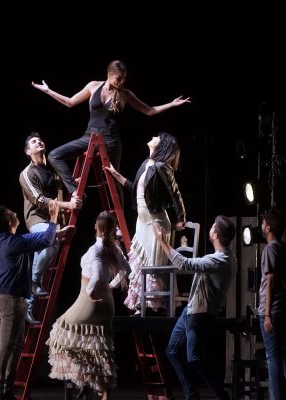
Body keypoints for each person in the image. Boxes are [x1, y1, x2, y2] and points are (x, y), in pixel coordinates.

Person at [32, 60, 190, 197]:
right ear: (109, 74)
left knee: (114, 181)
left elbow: (149, 111)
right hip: (89, 136)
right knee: (54, 155)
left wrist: (172, 104)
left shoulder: (125, 94)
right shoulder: (93, 86)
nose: (121, 82)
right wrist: (48, 91)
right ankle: (74, 190)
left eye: (124, 79)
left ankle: (118, 227)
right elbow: (70, 102)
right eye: (118, 79)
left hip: (110, 141)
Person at [46, 211, 130, 400]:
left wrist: (92, 289)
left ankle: (85, 381)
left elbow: (98, 273)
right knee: (97, 346)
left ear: (96, 227)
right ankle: (98, 389)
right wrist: (111, 286)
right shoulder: (114, 248)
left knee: (61, 330)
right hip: (107, 304)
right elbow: (128, 270)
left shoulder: (96, 250)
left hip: (90, 300)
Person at [0, 201, 67, 400]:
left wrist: (56, 232)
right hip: (9, 301)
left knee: (14, 348)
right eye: (10, 211)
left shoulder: (2, 239)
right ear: (7, 221)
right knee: (5, 347)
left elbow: (35, 238)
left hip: (15, 300)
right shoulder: (12, 243)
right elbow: (45, 241)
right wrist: (54, 218)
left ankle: (6, 390)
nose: (14, 211)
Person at [155, 215, 237, 400]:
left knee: (194, 357)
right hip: (190, 312)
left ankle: (221, 394)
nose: (211, 228)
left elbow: (185, 264)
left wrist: (162, 242)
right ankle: (191, 393)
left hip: (200, 315)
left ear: (215, 234)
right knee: (172, 351)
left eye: (213, 227)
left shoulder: (221, 260)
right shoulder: (219, 257)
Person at [105, 132, 185, 314]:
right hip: (142, 221)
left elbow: (176, 194)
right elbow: (136, 189)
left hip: (156, 221)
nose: (153, 136)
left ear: (162, 145)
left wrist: (181, 219)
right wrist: (115, 174)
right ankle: (141, 302)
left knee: (152, 264)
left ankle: (151, 304)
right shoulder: (146, 164)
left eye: (158, 136)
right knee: (139, 260)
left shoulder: (161, 166)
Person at [19, 132, 82, 324]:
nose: (39, 142)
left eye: (40, 139)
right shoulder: (26, 173)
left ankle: (29, 300)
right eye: (33, 142)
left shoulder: (53, 168)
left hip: (54, 220)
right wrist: (68, 206)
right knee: (49, 242)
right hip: (36, 219)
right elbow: (39, 200)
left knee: (50, 245)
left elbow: (63, 185)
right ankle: (34, 283)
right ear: (28, 152)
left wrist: (74, 184)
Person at [257, 208, 286, 400]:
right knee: (282, 356)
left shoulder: (271, 249)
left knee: (273, 357)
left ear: (268, 226)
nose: (261, 225)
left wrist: (266, 313)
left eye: (263, 222)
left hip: (272, 310)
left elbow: (270, 281)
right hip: (285, 310)